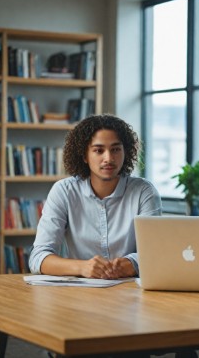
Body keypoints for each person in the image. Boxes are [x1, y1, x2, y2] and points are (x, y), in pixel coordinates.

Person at [29, 114, 161, 278]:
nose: (108, 158)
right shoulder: (64, 191)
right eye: (99, 150)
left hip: (131, 294)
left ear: (125, 152)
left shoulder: (144, 192)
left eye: (115, 149)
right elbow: (38, 258)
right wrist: (83, 267)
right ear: (84, 156)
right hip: (79, 293)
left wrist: (130, 263)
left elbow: (155, 254)